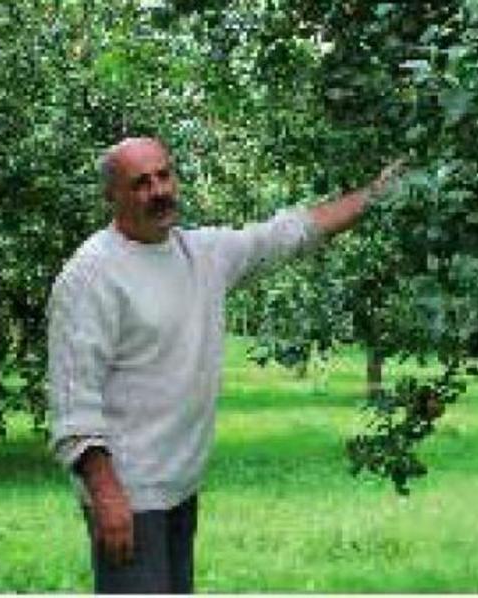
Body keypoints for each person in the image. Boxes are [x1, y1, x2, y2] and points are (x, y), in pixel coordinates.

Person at [47, 136, 403, 594]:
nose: (158, 191)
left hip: (178, 485)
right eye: (140, 183)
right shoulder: (91, 276)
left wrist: (376, 194)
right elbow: (75, 399)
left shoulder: (200, 255)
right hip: (128, 496)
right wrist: (107, 495)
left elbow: (289, 234)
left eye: (163, 175)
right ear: (111, 196)